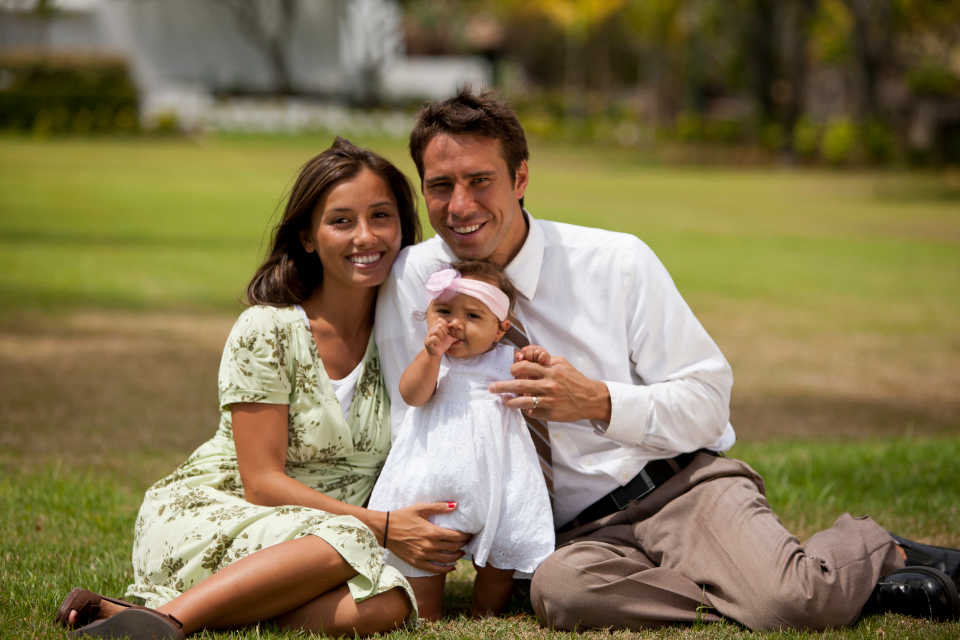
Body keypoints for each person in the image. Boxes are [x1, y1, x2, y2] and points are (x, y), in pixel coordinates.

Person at [374, 88, 960, 631]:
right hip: (577, 539)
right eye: (440, 185)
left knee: (790, 604)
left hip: (676, 485)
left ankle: (879, 548)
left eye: (481, 180)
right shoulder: (415, 279)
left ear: (521, 176)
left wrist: (598, 401)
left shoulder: (615, 262)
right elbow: (416, 420)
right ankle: (752, 588)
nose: (460, 205)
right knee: (560, 594)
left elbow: (709, 402)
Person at [55, 137, 472, 639]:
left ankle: (133, 617)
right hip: (223, 515)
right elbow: (262, 483)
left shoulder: (408, 338)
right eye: (342, 221)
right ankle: (168, 623)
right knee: (347, 539)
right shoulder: (267, 329)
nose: (366, 236)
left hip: (325, 546)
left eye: (381, 217)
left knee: (388, 603)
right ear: (308, 237)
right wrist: (380, 526)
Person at [367, 260, 555, 620]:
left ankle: (485, 613)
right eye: (444, 311)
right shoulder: (432, 361)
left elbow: (537, 393)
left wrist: (536, 362)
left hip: (497, 478)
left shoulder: (506, 360)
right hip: (432, 480)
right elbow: (412, 395)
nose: (454, 323)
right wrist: (430, 355)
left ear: (501, 330)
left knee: (502, 552)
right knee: (423, 557)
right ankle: (426, 612)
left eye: (473, 316)